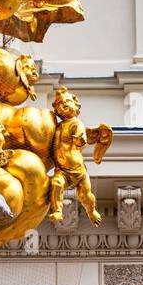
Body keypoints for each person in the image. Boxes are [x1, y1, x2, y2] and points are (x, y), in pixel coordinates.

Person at [47, 86, 112, 227]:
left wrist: (80, 140)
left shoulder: (76, 123)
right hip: (62, 170)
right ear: (56, 110)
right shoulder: (56, 127)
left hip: (78, 171)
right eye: (58, 104)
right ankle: (58, 210)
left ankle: (91, 210)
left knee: (85, 196)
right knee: (56, 184)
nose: (62, 104)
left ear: (76, 106)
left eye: (67, 101)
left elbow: (81, 136)